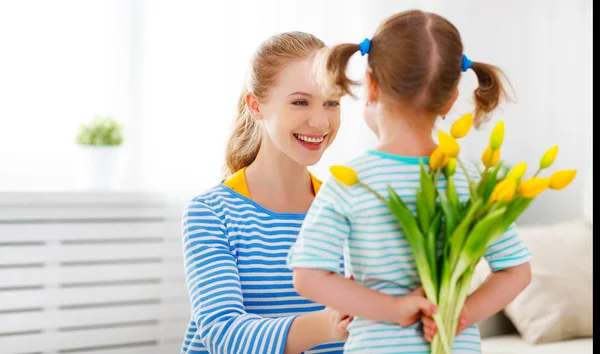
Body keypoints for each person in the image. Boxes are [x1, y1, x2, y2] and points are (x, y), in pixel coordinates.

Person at [287, 10, 532, 354]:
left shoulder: (351, 181)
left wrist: (395, 309)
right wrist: (458, 315)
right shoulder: (474, 180)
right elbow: (517, 272)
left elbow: (308, 277)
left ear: (371, 85)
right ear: (451, 97)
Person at [180, 31, 354, 354]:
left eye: (331, 103)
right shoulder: (211, 213)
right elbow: (223, 332)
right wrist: (330, 325)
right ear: (255, 105)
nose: (320, 121)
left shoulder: (346, 209)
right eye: (300, 102)